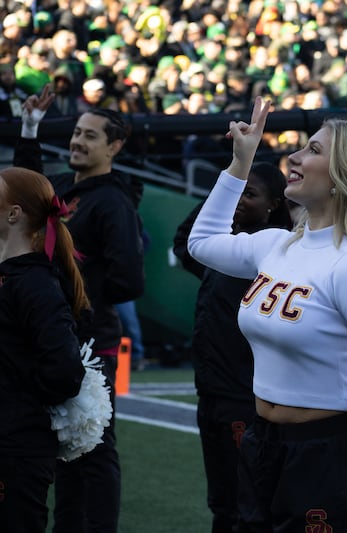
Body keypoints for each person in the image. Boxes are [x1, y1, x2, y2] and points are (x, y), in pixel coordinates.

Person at [187, 98, 347, 532]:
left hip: (327, 453)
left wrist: (337, 408)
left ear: (342, 176)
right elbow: (201, 242)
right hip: (262, 441)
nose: (294, 156)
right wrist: (241, 162)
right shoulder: (275, 244)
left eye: (313, 150)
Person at [14, 85, 145, 533]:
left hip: (90, 342)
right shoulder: (69, 187)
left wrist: (78, 288)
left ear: (114, 147)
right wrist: (30, 128)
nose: (77, 141)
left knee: (91, 447)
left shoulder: (113, 201)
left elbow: (130, 280)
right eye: (76, 133)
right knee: (63, 449)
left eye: (90, 136)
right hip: (55, 334)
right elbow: (26, 193)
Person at [173, 161, 292, 533]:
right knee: (222, 499)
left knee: (247, 502)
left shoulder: (273, 253)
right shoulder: (223, 246)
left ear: (274, 204)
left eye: (250, 194)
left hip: (244, 393)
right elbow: (185, 241)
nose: (241, 200)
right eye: (238, 193)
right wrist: (231, 178)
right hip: (211, 390)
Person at [0, 167, 89, 532]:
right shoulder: (12, 275)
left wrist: (19, 395)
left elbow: (65, 370)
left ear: (13, 213)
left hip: (16, 447)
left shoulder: (36, 283)